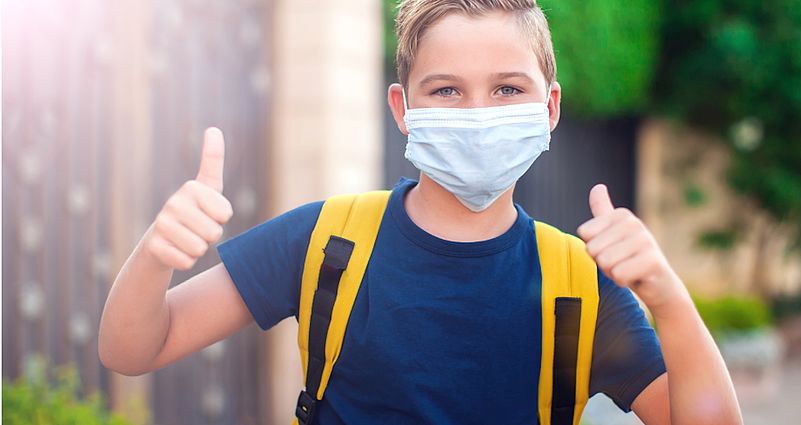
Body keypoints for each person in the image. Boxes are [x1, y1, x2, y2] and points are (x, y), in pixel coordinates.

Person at [98, 1, 743, 424]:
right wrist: (156, 256)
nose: (479, 113)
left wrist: (668, 296)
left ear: (547, 108)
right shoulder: (326, 239)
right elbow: (133, 348)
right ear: (404, 108)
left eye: (507, 89)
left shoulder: (580, 282)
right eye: (447, 90)